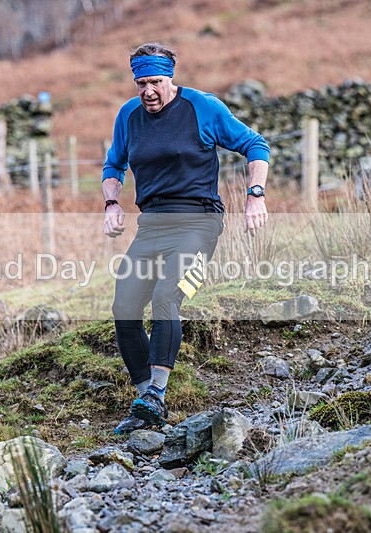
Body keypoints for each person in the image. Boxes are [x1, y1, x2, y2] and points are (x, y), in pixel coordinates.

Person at [101, 42, 270, 434]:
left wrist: (255, 195)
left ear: (170, 78)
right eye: (141, 83)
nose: (148, 92)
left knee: (166, 296)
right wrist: (112, 202)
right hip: (152, 224)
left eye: (156, 82)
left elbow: (254, 145)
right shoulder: (129, 115)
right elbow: (114, 163)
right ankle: (146, 401)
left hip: (199, 223)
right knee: (124, 306)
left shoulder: (202, 107)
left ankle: (157, 393)